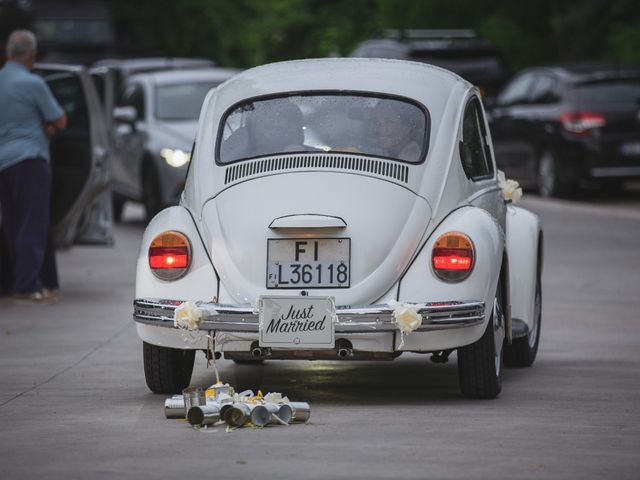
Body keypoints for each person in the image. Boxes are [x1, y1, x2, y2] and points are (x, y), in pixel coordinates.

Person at [0, 30, 67, 304]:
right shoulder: (32, 83)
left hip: (3, 162)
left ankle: (26, 279)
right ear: (32, 54)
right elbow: (60, 120)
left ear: (7, 51)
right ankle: (27, 285)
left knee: (13, 224)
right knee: (33, 224)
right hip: (30, 159)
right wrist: (47, 126)